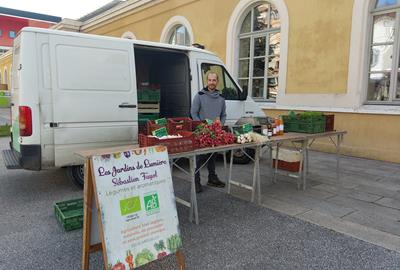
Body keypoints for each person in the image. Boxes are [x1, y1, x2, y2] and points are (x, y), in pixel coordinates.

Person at [191, 71, 227, 193]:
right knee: (199, 158)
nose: (212, 82)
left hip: (215, 132)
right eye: (210, 80)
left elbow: (223, 115)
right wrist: (201, 126)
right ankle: (196, 181)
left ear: (217, 82)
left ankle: (212, 178)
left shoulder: (221, 98)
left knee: (213, 156)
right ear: (207, 81)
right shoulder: (199, 96)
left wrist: (220, 124)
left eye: (214, 80)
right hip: (202, 132)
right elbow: (193, 113)